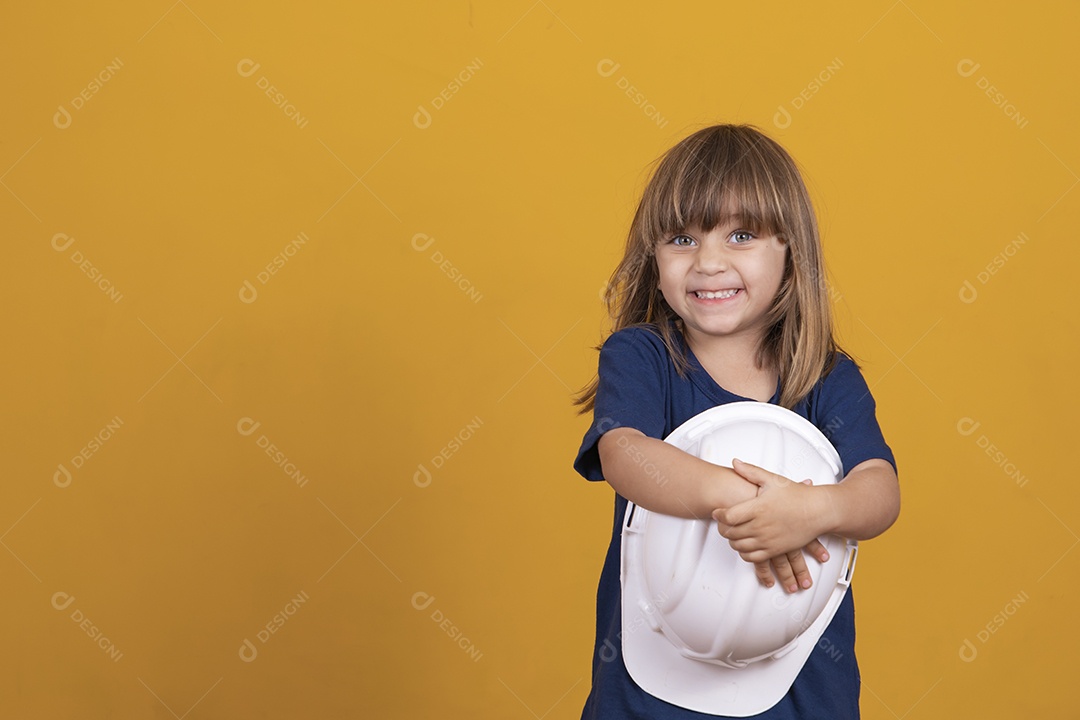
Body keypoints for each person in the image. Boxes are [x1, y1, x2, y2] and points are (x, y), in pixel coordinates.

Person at [572, 124, 900, 719]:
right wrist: (747, 504)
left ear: (790, 251)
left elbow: (879, 490)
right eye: (681, 239)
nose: (708, 262)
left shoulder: (826, 377)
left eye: (741, 235)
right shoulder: (642, 356)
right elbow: (624, 452)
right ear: (654, 256)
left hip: (802, 688)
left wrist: (813, 511)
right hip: (650, 689)